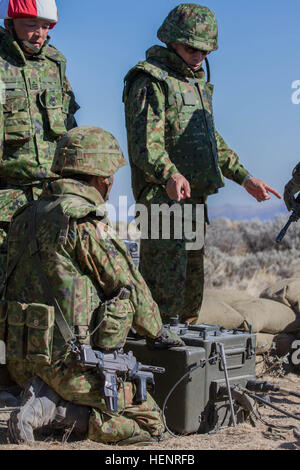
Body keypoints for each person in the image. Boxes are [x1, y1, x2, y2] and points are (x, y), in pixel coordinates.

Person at [3, 125, 183, 445]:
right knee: (150, 423)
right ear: (101, 178)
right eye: (111, 178)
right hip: (69, 365)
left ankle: (44, 394)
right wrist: (159, 333)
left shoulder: (23, 216)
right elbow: (130, 286)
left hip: (20, 359)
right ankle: (54, 409)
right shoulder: (82, 221)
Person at [123, 3, 281, 324]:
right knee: (161, 297)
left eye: (205, 51)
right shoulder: (150, 81)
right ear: (172, 41)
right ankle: (152, 366)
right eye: (192, 48)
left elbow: (211, 140)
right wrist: (169, 173)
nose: (199, 56)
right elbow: (144, 146)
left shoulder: (194, 84)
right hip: (161, 206)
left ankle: (186, 365)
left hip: (193, 205)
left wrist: (245, 179)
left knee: (190, 294)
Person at [0, 0, 79, 287]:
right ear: (10, 22)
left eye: (46, 26)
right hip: (7, 201)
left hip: (51, 198)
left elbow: (70, 127)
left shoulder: (55, 64)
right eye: (31, 25)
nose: (39, 34)